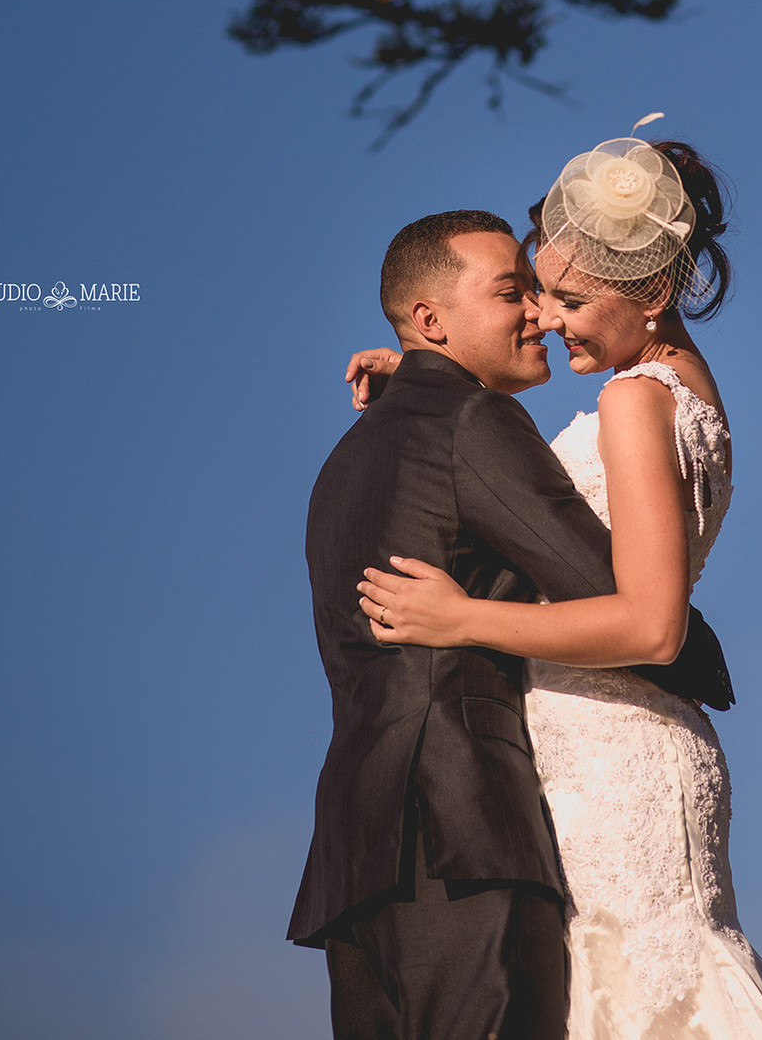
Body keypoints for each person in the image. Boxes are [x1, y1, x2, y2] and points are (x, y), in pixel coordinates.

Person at [357, 126, 762, 1040]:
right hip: (617, 744)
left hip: (617, 757)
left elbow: (651, 627)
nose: (547, 318)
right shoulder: (685, 385)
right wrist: (427, 377)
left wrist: (460, 618)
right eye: (536, 293)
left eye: (570, 300)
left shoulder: (632, 401)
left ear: (652, 295)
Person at [288, 207, 734, 1040]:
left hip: (355, 855)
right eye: (514, 292)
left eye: (549, 293)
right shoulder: (475, 423)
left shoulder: (349, 457)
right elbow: (636, 612)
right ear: (431, 320)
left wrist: (424, 377)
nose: (541, 314)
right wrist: (702, 658)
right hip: (465, 832)